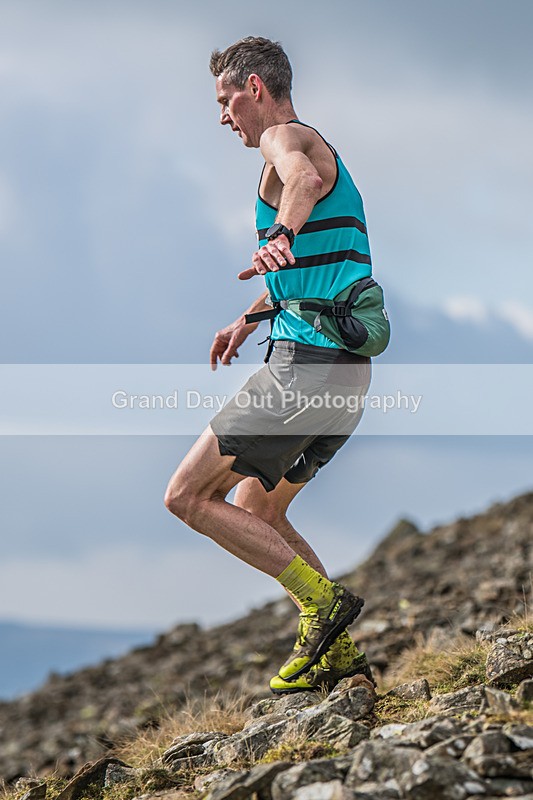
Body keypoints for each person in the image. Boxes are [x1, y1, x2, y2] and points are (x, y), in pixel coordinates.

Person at [164, 36, 376, 694]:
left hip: (305, 366)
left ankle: (322, 606)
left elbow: (302, 183)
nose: (222, 116)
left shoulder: (284, 140)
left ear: (254, 88)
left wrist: (279, 232)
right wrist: (247, 318)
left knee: (187, 497)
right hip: (345, 371)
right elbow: (310, 269)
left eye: (225, 100)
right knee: (258, 510)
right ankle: (338, 657)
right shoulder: (304, 146)